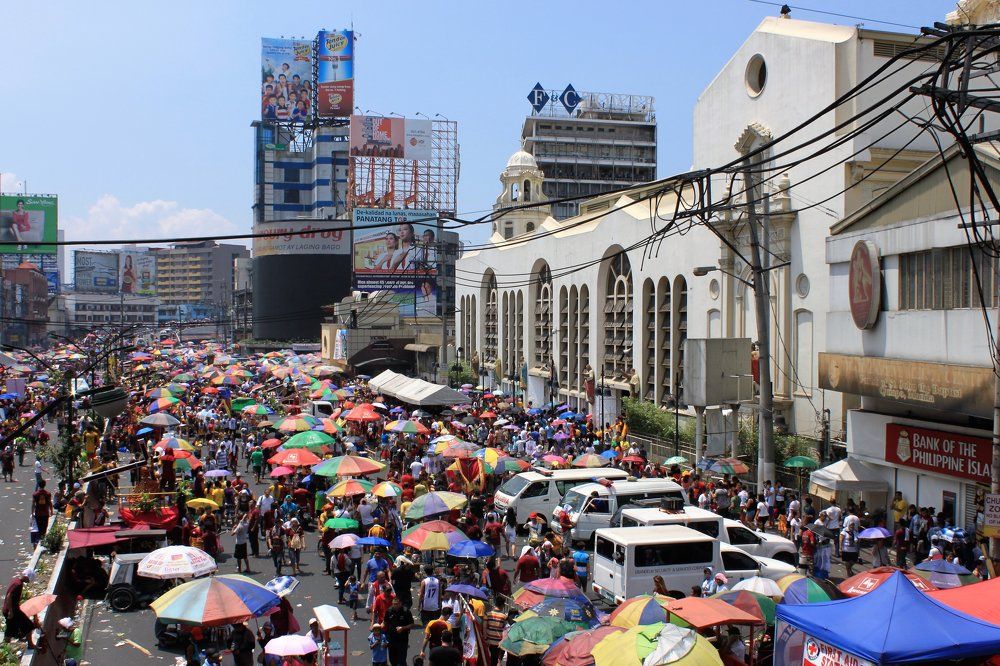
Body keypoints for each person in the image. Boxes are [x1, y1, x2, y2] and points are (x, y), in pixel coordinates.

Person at [382, 596, 416, 666]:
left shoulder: (406, 611)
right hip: (391, 639)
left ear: (401, 603)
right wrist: (381, 625)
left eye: (397, 604)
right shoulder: (389, 611)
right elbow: (385, 622)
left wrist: (403, 628)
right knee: (392, 660)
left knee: (402, 661)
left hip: (402, 640)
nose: (395, 605)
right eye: (394, 604)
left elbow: (412, 624)